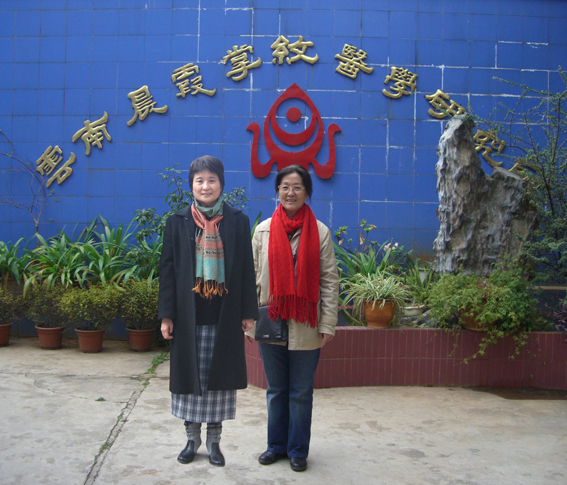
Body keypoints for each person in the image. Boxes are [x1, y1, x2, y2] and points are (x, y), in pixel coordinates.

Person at [158, 155, 258, 467]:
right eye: (199, 180)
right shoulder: (177, 222)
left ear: (221, 184)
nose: (205, 186)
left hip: (224, 316)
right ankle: (192, 439)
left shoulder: (237, 221)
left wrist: (248, 312)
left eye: (211, 180)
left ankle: (214, 442)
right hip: (188, 318)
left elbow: (246, 269)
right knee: (190, 382)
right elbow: (168, 272)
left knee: (219, 383)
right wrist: (166, 315)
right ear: (192, 185)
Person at [249, 165, 339, 472]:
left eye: (297, 187)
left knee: (300, 393)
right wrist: (248, 321)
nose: (291, 192)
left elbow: (329, 281)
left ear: (307, 192)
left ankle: (298, 450)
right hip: (271, 320)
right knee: (276, 390)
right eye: (285, 186)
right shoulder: (262, 231)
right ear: (277, 191)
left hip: (306, 324)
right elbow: (250, 278)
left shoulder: (320, 232)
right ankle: (276, 446)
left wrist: (327, 323)